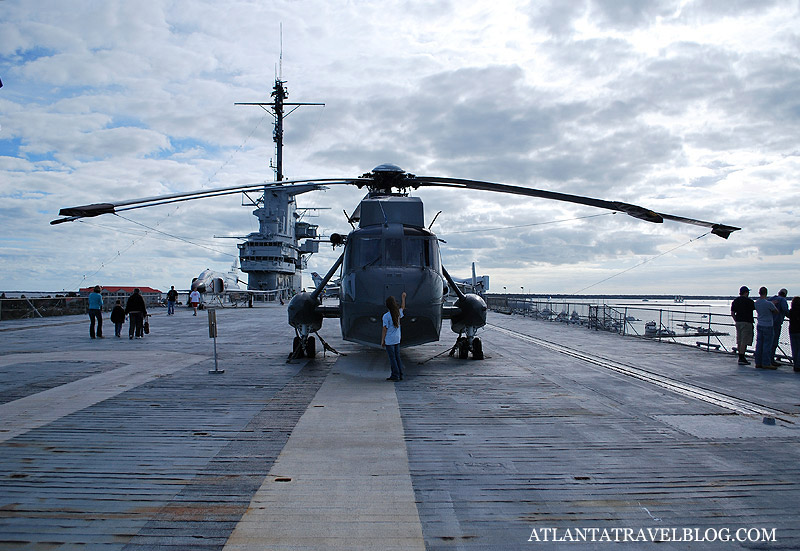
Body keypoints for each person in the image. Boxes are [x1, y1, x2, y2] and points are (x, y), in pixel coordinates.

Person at [381, 291, 407, 382]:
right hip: (397, 338)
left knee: (392, 359)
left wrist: (382, 340)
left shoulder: (386, 316)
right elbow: (403, 307)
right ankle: (400, 374)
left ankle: (395, 375)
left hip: (390, 339)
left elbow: (385, 329)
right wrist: (403, 297)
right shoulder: (397, 313)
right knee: (397, 357)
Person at [754, 287, 778, 369]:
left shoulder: (756, 302)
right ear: (766, 293)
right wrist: (773, 304)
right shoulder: (769, 303)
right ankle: (766, 363)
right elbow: (776, 311)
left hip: (760, 324)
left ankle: (758, 362)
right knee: (767, 345)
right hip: (768, 325)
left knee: (759, 344)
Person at [730, 286, 755, 365]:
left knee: (739, 340)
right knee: (745, 340)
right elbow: (756, 308)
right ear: (746, 293)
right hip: (747, 322)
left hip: (738, 322)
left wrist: (736, 320)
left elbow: (732, 313)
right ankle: (742, 357)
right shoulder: (749, 301)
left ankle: (740, 356)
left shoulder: (735, 301)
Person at [769, 288, 789, 366]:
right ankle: (771, 359)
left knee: (768, 342)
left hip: (768, 323)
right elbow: (785, 310)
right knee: (774, 342)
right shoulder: (783, 300)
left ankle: (765, 358)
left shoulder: (771, 299)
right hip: (776, 323)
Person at [790, 296, 800, 373]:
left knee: (794, 349)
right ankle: (798, 365)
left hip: (792, 331)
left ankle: (795, 364)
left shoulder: (791, 311)